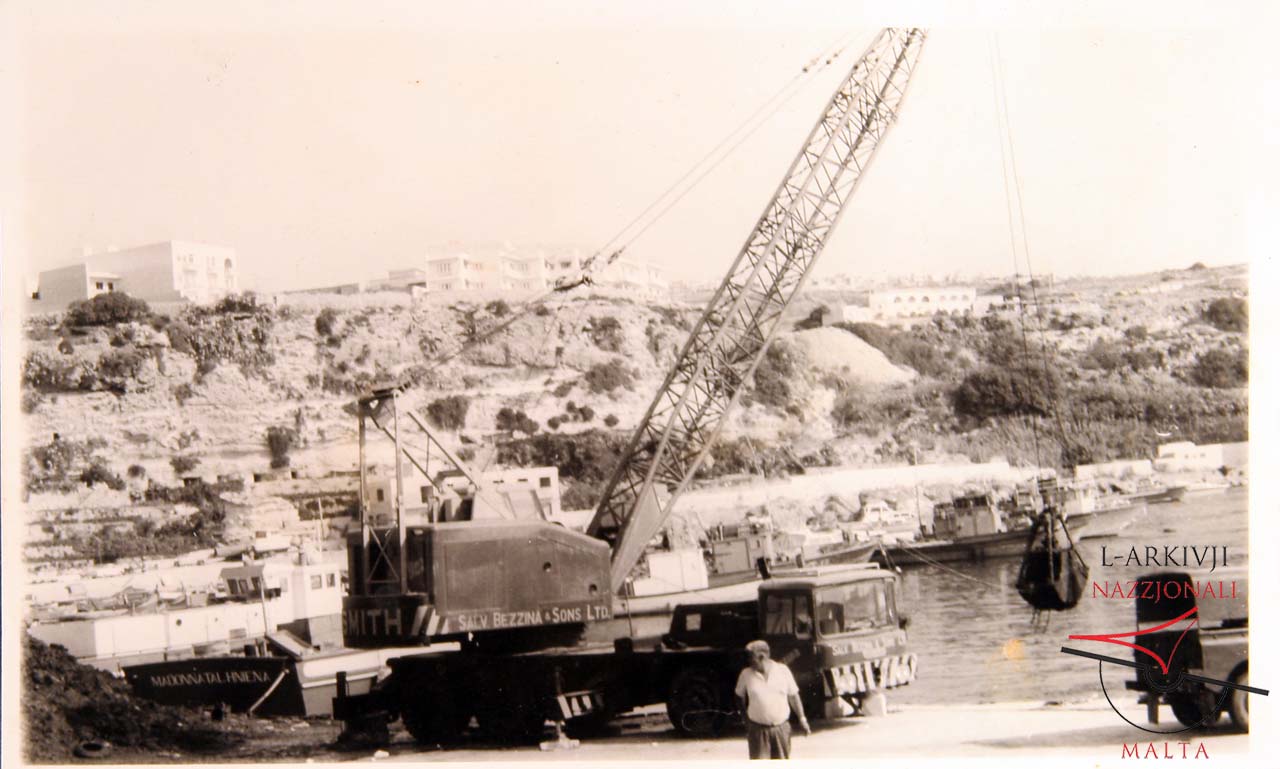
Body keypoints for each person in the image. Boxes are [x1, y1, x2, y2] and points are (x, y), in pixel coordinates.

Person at [734, 639, 809, 759]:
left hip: (781, 729)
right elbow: (738, 697)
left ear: (762, 657)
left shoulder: (783, 671)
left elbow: (794, 696)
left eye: (750, 657)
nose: (748, 661)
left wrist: (802, 720)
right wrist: (745, 720)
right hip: (757, 731)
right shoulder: (746, 674)